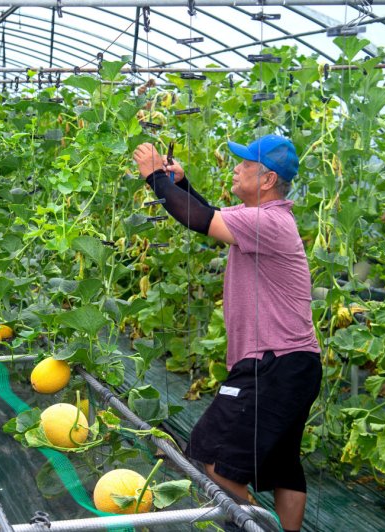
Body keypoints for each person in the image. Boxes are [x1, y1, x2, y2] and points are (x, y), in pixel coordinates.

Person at [133, 135, 321, 532]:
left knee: (214, 458)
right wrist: (181, 185)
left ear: (268, 179)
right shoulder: (262, 217)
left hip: (274, 364)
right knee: (283, 465)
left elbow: (197, 219)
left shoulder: (268, 221)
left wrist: (154, 178)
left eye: (245, 164)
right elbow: (208, 213)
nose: (235, 168)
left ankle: (256, 527)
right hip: (294, 364)